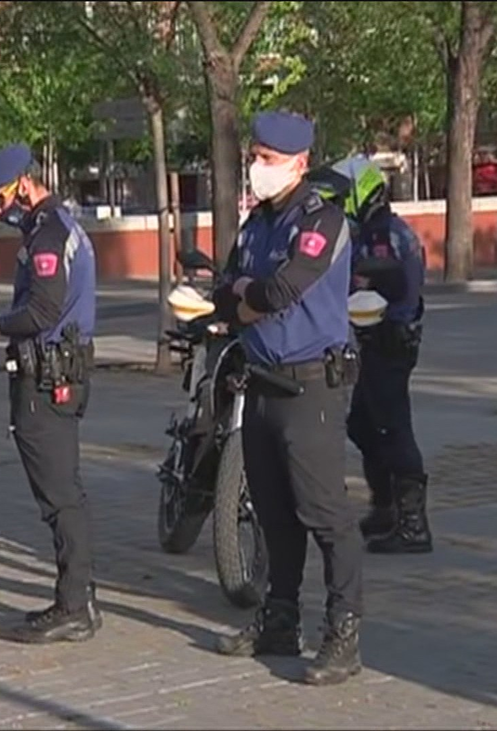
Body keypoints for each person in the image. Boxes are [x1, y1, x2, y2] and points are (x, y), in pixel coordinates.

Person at [211, 111, 365, 686]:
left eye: (268, 159)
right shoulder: (256, 224)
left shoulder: (322, 220)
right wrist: (244, 298)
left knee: (324, 514)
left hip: (310, 386)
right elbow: (223, 293)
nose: (258, 167)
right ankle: (279, 619)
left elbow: (282, 290)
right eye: (255, 156)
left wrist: (247, 297)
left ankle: (343, 633)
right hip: (262, 383)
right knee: (273, 513)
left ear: (300, 164)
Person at [0, 143, 101, 644]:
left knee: (60, 496)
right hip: (55, 375)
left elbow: (41, 313)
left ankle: (74, 606)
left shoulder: (49, 236)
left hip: (49, 379)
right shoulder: (52, 228)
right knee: (62, 491)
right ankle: (77, 598)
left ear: (26, 185)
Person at [327, 155, 432, 554]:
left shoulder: (384, 235)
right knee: (363, 424)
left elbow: (391, 278)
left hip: (390, 341)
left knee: (393, 429)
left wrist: (364, 275)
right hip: (376, 342)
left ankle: (413, 525)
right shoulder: (373, 230)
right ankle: (385, 507)